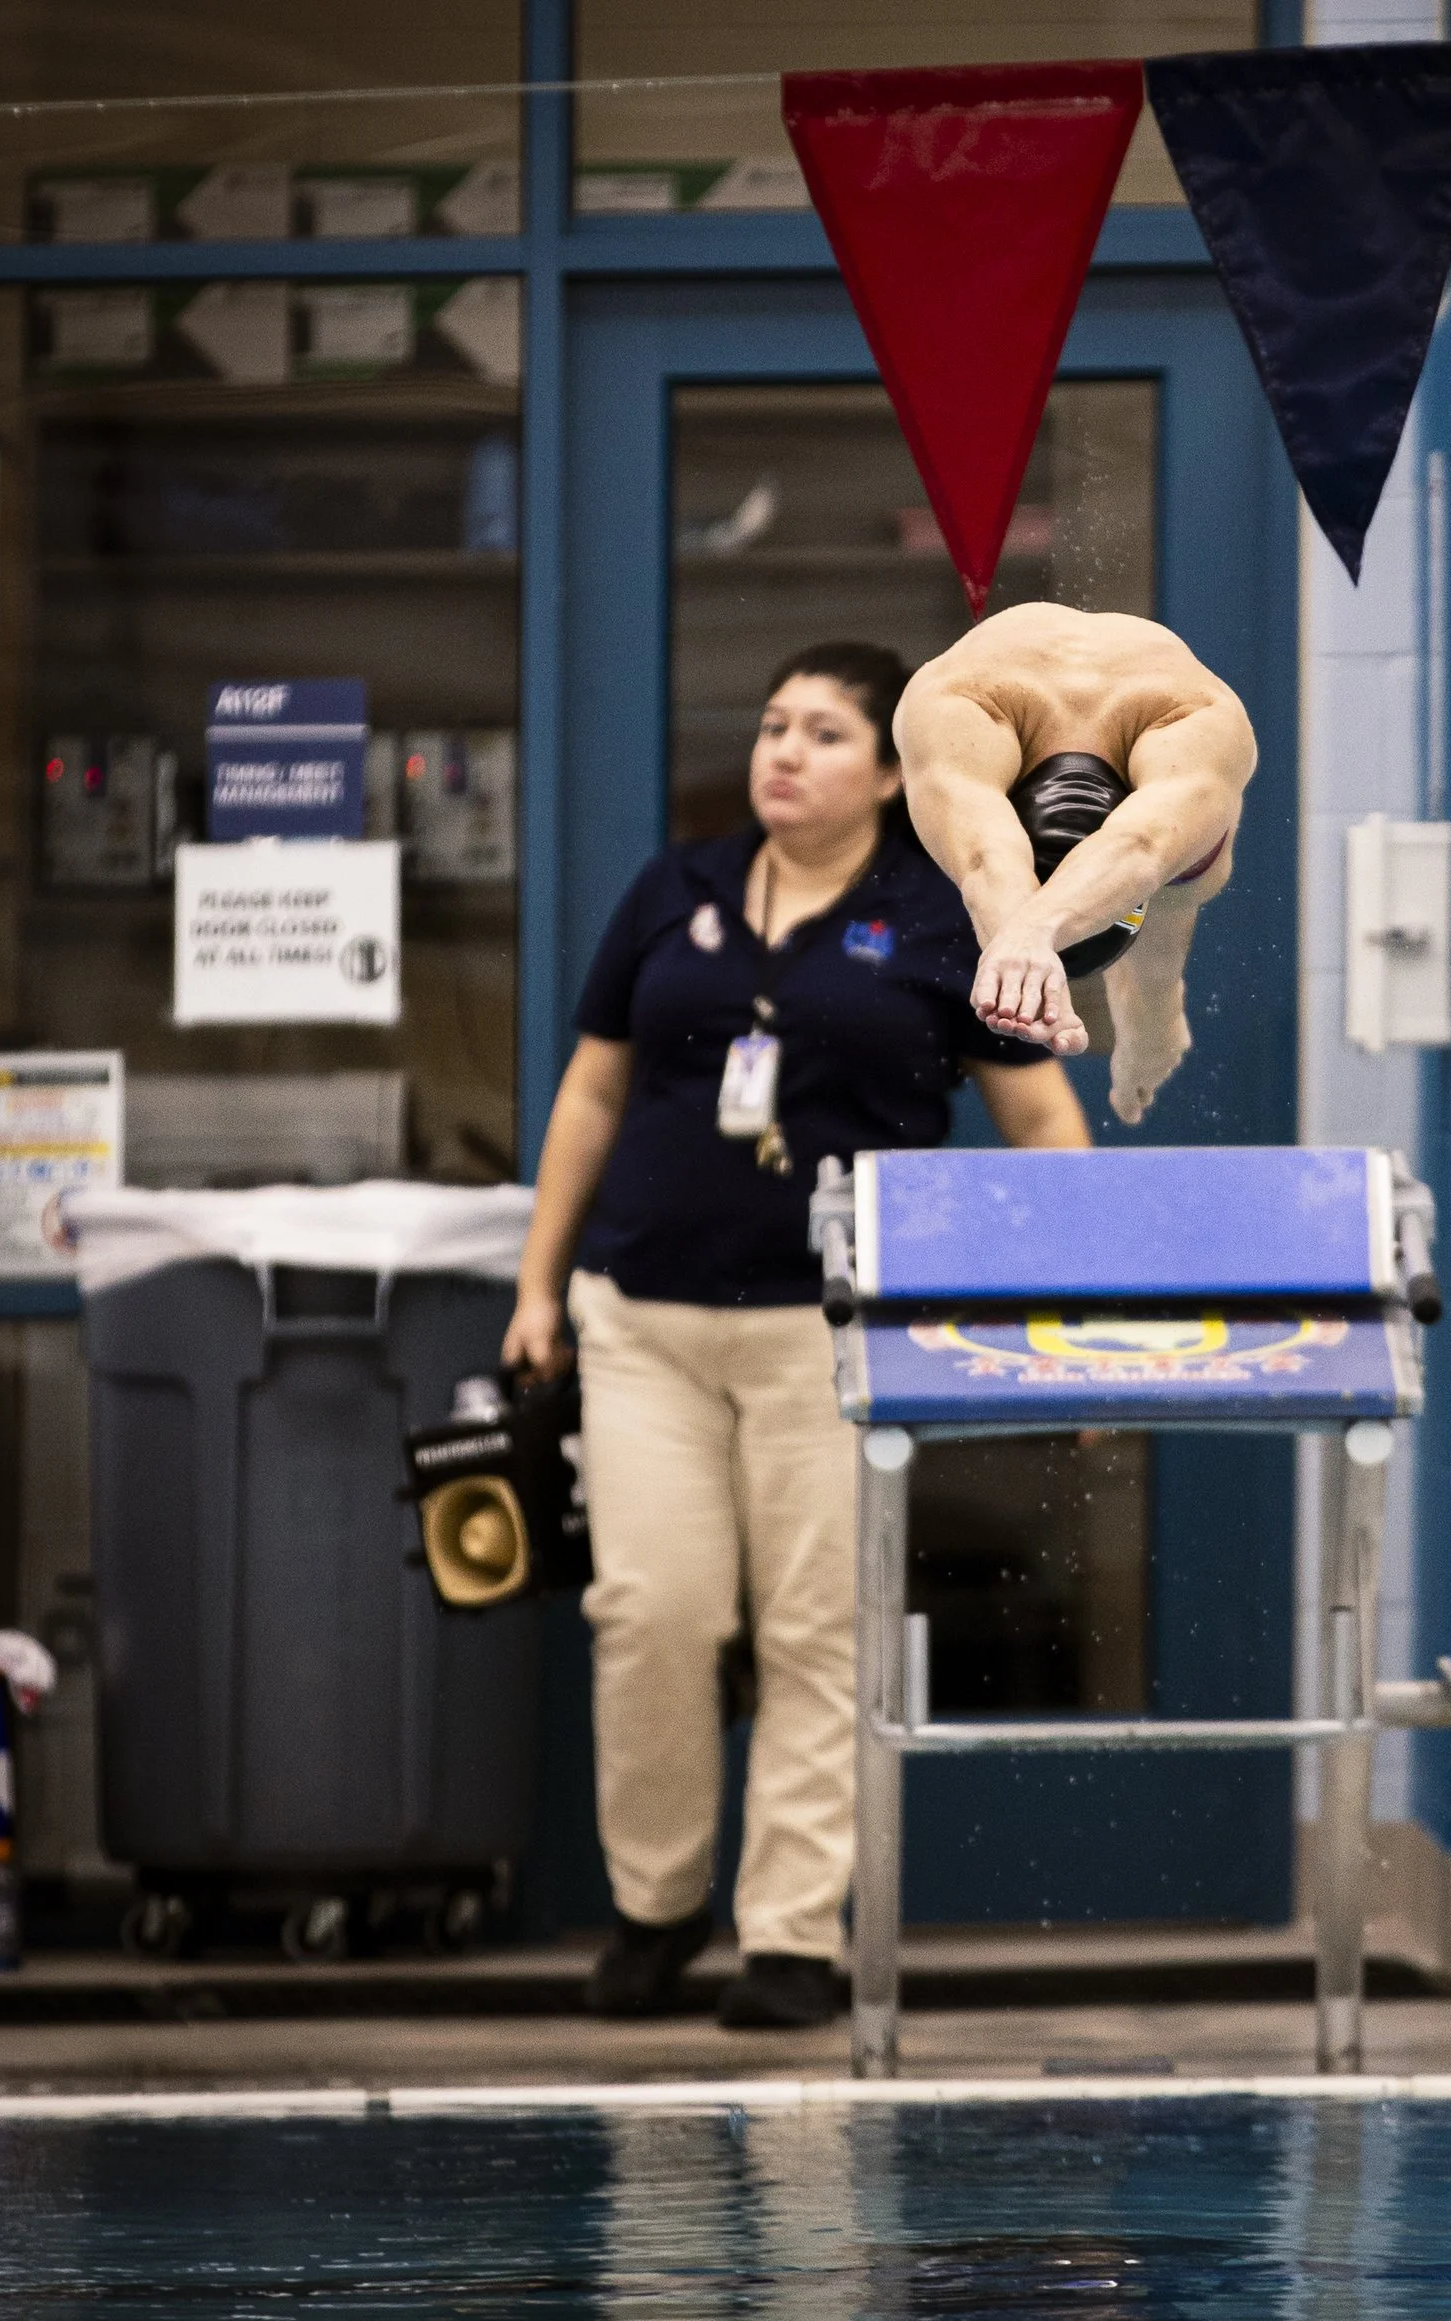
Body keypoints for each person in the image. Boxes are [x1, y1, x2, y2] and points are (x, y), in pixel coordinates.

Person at [503, 641, 1089, 2030]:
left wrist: (1054, 1304)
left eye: (826, 734)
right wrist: (538, 1287)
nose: (785, 752)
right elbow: (592, 1096)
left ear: (894, 772)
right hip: (642, 1322)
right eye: (773, 725)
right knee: (651, 1613)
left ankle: (789, 1937)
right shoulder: (676, 889)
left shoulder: (943, 918)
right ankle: (654, 1910)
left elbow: (1042, 1124)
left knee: (818, 1631)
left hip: (833, 1337)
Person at [891, 601, 1257, 1124]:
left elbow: (1138, 847)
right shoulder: (1196, 718)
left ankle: (1151, 1002)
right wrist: (1024, 939)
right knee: (1187, 873)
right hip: (1120, 732)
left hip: (1116, 728)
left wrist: (1029, 935)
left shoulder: (958, 704)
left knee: (1175, 865)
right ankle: (1153, 1004)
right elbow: (990, 859)